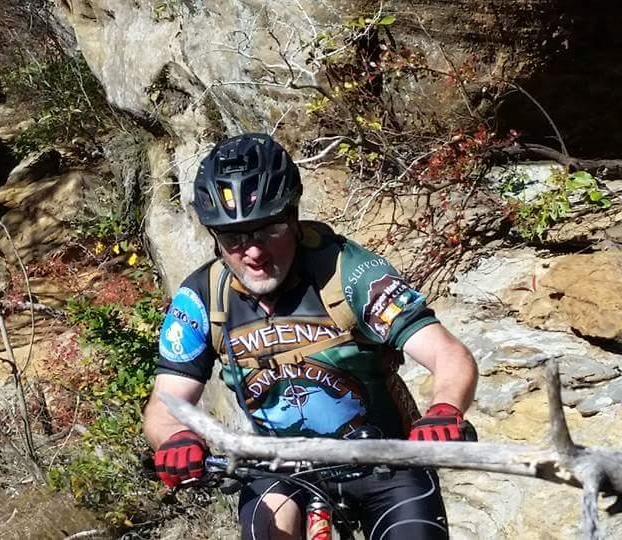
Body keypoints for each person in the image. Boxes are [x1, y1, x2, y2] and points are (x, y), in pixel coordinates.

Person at [143, 133, 478, 539]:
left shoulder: (349, 272)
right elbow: (167, 403)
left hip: (384, 459)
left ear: (294, 217)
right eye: (234, 238)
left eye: (268, 230)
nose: (253, 252)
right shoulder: (201, 298)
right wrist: (176, 439)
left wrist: (444, 410)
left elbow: (447, 354)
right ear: (215, 237)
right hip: (280, 465)